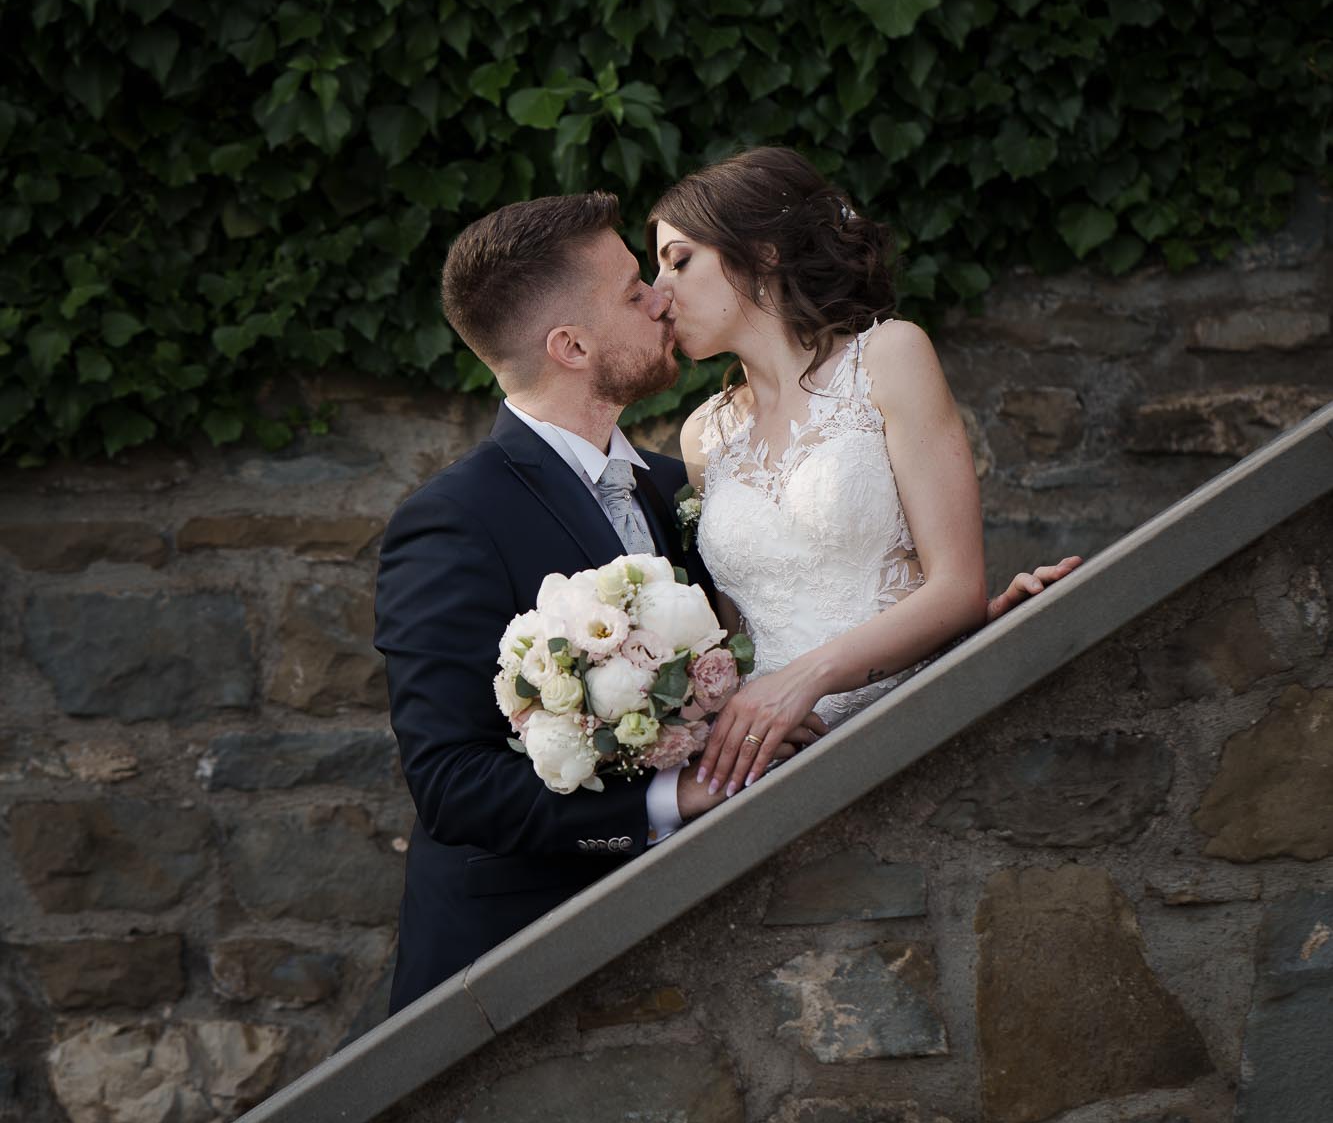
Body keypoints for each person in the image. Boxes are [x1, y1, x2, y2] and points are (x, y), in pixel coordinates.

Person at [376, 183, 1074, 1013]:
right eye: (637, 291)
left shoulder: (680, 486)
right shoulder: (454, 520)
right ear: (569, 345)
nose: (660, 301)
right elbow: (451, 782)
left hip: (737, 893)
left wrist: (960, 634)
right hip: (520, 953)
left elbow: (772, 633)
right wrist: (673, 797)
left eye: (665, 272)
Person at [649, 145, 1081, 798]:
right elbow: (733, 645)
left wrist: (805, 679)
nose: (659, 295)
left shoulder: (887, 356)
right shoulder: (705, 433)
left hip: (904, 731)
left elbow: (955, 585)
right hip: (773, 768)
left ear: (762, 250)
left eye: (679, 261)